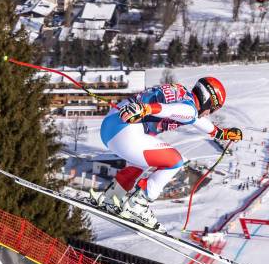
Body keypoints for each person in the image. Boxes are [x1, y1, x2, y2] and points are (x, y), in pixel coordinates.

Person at [91, 77, 242, 230]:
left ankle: (111, 198)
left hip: (112, 126)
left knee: (142, 162)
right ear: (208, 100)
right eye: (213, 108)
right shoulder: (189, 109)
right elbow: (172, 110)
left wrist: (222, 134)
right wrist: (147, 109)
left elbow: (194, 118)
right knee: (176, 161)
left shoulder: (183, 95)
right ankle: (138, 205)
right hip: (124, 132)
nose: (209, 113)